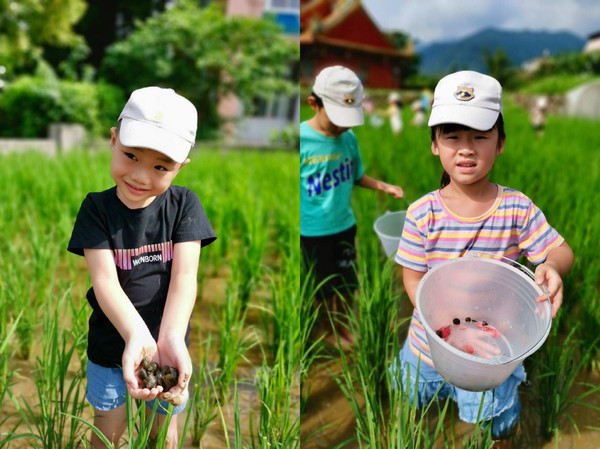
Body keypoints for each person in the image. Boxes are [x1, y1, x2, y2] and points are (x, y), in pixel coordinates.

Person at [392, 71, 573, 448]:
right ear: (435, 145)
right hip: (426, 346)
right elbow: (412, 280)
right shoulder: (422, 212)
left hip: (490, 355)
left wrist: (553, 267)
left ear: (500, 143)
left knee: (496, 427)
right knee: (406, 410)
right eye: (452, 136)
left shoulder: (516, 208)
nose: (466, 148)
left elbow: (560, 250)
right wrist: (446, 328)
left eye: (480, 136)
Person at [68, 86, 217, 448]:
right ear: (113, 139)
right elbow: (104, 282)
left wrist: (169, 337)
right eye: (131, 156)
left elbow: (184, 278)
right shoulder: (97, 209)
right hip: (110, 343)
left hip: (168, 346)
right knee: (108, 428)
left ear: (180, 167)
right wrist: (136, 335)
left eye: (160, 166)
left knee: (164, 435)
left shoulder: (184, 206)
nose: (141, 175)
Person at [300, 65, 404, 347]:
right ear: (314, 104)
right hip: (311, 233)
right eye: (337, 119)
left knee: (348, 283)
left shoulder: (348, 139)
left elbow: (356, 175)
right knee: (322, 289)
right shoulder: (301, 141)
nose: (343, 126)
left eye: (348, 120)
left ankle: (344, 326)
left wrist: (383, 186)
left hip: (344, 226)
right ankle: (326, 330)